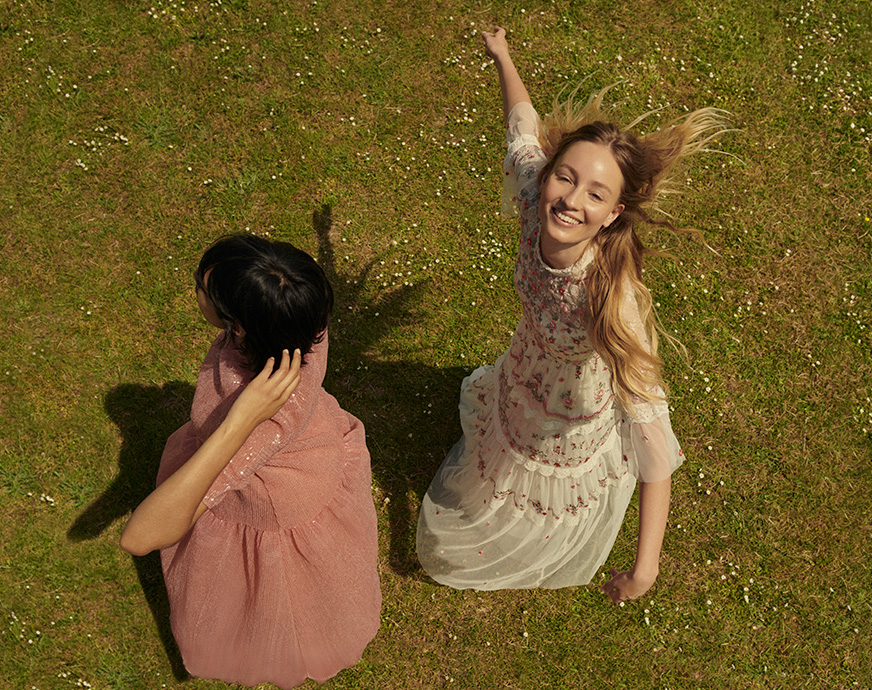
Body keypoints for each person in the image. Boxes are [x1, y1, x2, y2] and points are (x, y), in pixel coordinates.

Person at [417, 27, 727, 603]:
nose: (571, 200)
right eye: (567, 176)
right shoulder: (535, 189)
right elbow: (522, 124)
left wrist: (646, 569)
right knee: (502, 441)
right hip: (524, 364)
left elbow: (652, 439)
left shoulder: (610, 299)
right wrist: (503, 55)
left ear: (612, 215)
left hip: (570, 407)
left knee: (535, 472)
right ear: (550, 169)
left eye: (596, 194)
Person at [120, 235, 381, 688]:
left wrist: (239, 421)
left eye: (203, 290)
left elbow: (141, 536)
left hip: (269, 496)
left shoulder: (257, 420)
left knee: (281, 596)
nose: (197, 293)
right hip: (313, 449)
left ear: (238, 327)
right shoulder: (300, 324)